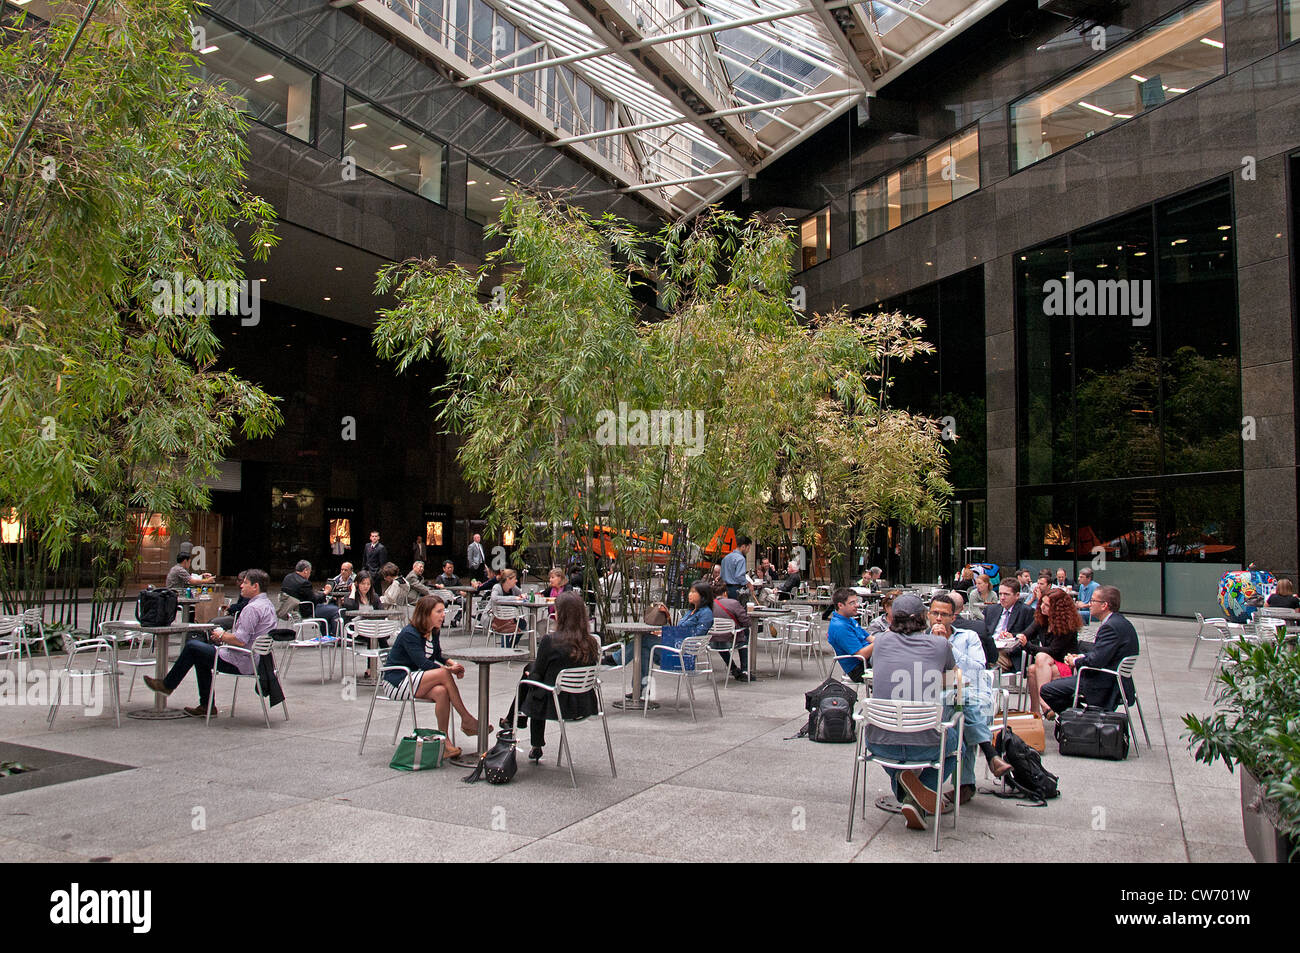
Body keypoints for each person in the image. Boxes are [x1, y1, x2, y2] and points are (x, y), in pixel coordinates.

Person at [863, 594, 959, 832]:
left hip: (878, 742)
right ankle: (915, 792)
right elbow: (953, 672)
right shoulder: (939, 644)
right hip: (926, 743)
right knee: (957, 746)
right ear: (924, 618)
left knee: (895, 744)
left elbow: (876, 664)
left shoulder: (882, 641)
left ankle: (905, 786)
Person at [144, 569, 274, 718]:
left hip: (242, 660)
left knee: (192, 646)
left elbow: (240, 640)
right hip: (258, 660)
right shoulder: (267, 605)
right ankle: (206, 705)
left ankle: (168, 685)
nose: (241, 586)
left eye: (245, 583)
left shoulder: (252, 609)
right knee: (200, 653)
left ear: (255, 586)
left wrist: (222, 635)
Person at [929, 593, 1012, 800]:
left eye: (944, 615)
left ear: (952, 618)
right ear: (928, 615)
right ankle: (988, 756)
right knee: (958, 702)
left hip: (972, 692)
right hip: (939, 696)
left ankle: (951, 786)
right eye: (935, 613)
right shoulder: (922, 639)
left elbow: (977, 669)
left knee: (961, 708)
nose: (939, 619)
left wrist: (948, 646)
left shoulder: (968, 637)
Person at [382, 594, 484, 759]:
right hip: (397, 681)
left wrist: (451, 664)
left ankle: (445, 744)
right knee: (443, 674)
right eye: (439, 611)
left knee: (442, 692)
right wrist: (448, 670)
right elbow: (423, 663)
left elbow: (437, 654)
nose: (444, 615)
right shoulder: (410, 633)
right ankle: (466, 718)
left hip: (416, 679)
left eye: (443, 611)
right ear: (426, 613)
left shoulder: (433, 631)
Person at [503, 591, 600, 762]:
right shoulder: (591, 642)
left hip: (555, 702)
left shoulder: (551, 640)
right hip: (584, 702)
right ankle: (513, 722)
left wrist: (529, 675)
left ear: (560, 614)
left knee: (530, 682)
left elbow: (538, 674)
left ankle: (525, 733)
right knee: (531, 671)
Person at [1040, 585, 1139, 718]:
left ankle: (1085, 720)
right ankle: (1085, 719)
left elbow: (1095, 661)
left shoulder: (1110, 627)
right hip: (1114, 680)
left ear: (1104, 605)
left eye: (1093, 601)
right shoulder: (1120, 622)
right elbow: (1103, 654)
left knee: (1047, 690)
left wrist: (1075, 661)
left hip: (1104, 684)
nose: (1089, 605)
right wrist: (1082, 656)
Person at [1017, 588, 1083, 716]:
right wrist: (1017, 636)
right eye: (1042, 603)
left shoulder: (1067, 625)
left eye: (1047, 605)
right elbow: (1026, 634)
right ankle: (1039, 709)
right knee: (1034, 666)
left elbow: (1054, 651)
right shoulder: (1042, 619)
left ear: (1058, 609)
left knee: (1035, 666)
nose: (1042, 607)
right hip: (1048, 663)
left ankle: (1040, 706)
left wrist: (1028, 645)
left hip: (1067, 664)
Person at [640, 580, 714, 687]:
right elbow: (680, 630)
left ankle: (617, 660)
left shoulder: (706, 613)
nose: (690, 595)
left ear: (703, 595)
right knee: (643, 646)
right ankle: (641, 690)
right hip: (676, 647)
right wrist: (663, 633)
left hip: (682, 655)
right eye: (690, 592)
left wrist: (668, 635)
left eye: (694, 592)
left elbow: (696, 636)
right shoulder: (691, 611)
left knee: (645, 640)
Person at [280, 560, 341, 637]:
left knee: (327, 609)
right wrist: (325, 592)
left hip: (291, 609)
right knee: (335, 610)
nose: (310, 574)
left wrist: (318, 593)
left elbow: (304, 594)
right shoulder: (304, 583)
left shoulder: (288, 577)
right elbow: (314, 599)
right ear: (305, 571)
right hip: (305, 610)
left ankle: (328, 635)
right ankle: (336, 636)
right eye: (310, 572)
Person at [827, 587, 873, 682]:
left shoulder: (849, 619)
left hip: (869, 659)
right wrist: (882, 641)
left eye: (857, 602)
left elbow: (869, 638)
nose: (857, 605)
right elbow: (861, 655)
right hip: (859, 668)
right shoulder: (840, 627)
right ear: (840, 605)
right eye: (852, 603)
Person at [710, 581, 752, 682]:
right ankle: (744, 669)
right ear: (725, 593)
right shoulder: (733, 603)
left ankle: (733, 668)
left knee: (720, 639)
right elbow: (746, 622)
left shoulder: (708, 605)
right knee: (745, 633)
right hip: (731, 640)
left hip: (713, 642)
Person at [984, 580, 1033, 645]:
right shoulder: (991, 610)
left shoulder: (1026, 611)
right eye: (1000, 594)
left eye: (1006, 594)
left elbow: (1029, 636)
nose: (1002, 598)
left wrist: (1013, 636)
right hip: (990, 646)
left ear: (1017, 595)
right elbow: (984, 632)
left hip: (1010, 648)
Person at [720, 535, 752, 602]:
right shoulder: (741, 559)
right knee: (736, 610)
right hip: (735, 589)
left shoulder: (726, 557)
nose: (748, 551)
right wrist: (748, 583)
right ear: (743, 546)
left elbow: (721, 575)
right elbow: (739, 576)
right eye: (748, 548)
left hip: (724, 589)